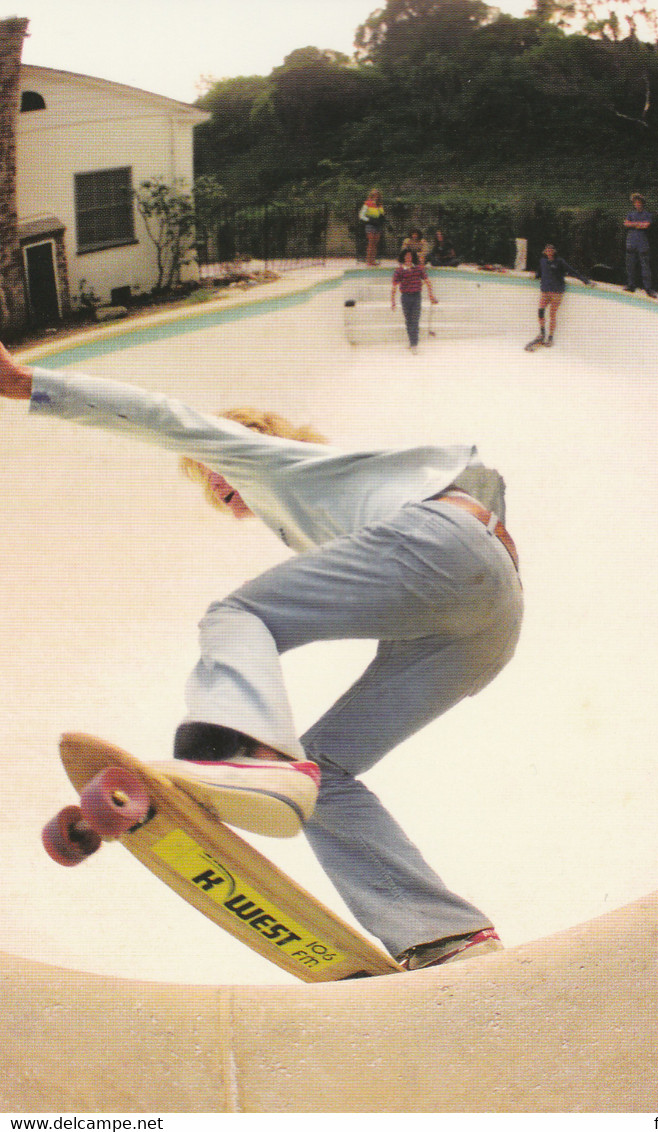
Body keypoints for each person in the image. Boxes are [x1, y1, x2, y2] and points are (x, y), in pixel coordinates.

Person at [0, 341, 523, 972]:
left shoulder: (272, 457)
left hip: (450, 553)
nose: (216, 479)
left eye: (214, 464)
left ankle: (246, 754)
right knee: (323, 774)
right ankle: (446, 936)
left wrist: (28, 384)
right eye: (206, 479)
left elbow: (163, 418)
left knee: (236, 615)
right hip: (486, 624)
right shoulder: (327, 504)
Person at [525, 243, 594, 350]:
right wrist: (534, 276)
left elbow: (572, 271)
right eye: (547, 250)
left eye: (551, 250)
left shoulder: (559, 261)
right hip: (545, 290)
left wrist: (585, 281)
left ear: (554, 251)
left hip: (557, 291)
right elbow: (540, 273)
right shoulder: (543, 261)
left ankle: (550, 336)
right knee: (541, 311)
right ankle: (542, 332)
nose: (549, 252)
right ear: (545, 252)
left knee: (552, 314)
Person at [391, 248, 438, 352]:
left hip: (416, 296)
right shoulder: (399, 270)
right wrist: (393, 301)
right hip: (405, 297)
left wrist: (431, 296)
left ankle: (414, 344)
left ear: (413, 257)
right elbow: (394, 287)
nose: (408, 258)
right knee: (408, 321)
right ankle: (412, 341)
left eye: (410, 256)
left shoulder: (419, 269)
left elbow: (428, 282)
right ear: (403, 257)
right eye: (406, 256)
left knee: (415, 320)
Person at [624, 193, 656, 297]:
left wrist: (633, 224)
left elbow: (646, 225)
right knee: (630, 265)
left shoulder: (647, 214)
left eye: (639, 202)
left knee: (645, 266)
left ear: (642, 203)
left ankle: (648, 289)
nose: (637, 204)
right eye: (635, 203)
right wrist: (638, 224)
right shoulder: (631, 214)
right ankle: (631, 285)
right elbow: (626, 223)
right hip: (631, 242)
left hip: (642, 243)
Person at [359, 190, 385, 267]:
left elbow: (382, 213)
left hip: (378, 224)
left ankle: (373, 260)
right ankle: (368, 260)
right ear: (371, 196)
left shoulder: (379, 204)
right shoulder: (367, 203)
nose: (376, 197)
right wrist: (369, 220)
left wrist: (381, 218)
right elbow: (361, 215)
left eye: (377, 195)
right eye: (374, 195)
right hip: (370, 224)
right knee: (371, 242)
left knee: (375, 243)